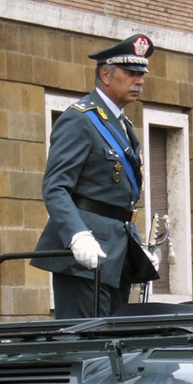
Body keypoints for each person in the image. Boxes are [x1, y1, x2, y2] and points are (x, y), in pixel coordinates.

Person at [31, 34, 158, 319]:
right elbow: (55, 187)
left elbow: (120, 202)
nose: (139, 81)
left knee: (113, 347)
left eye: (141, 74)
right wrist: (76, 236)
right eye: (130, 73)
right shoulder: (80, 119)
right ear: (105, 74)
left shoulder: (122, 124)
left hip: (116, 255)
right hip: (85, 257)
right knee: (88, 349)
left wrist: (136, 245)